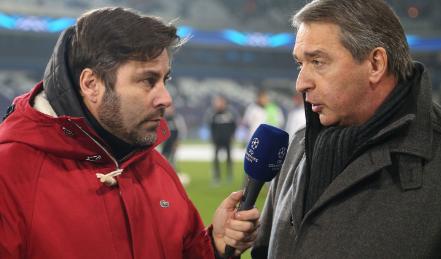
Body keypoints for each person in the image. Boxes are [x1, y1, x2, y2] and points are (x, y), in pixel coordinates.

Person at [0, 7, 259, 259]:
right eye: (148, 80)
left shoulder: (157, 169)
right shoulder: (9, 173)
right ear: (91, 84)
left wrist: (214, 248)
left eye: (164, 80)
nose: (166, 98)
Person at [251, 0, 441, 258]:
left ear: (375, 64)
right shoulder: (297, 146)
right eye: (300, 64)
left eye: (317, 61)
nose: (300, 83)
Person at [206, 95, 238, 185]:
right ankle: (217, 177)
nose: (219, 104)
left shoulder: (230, 113)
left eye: (221, 102)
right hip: (217, 140)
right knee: (216, 159)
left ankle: (229, 176)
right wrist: (213, 138)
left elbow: (234, 126)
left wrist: (232, 136)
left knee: (229, 158)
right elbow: (210, 127)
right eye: (217, 102)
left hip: (227, 140)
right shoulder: (213, 114)